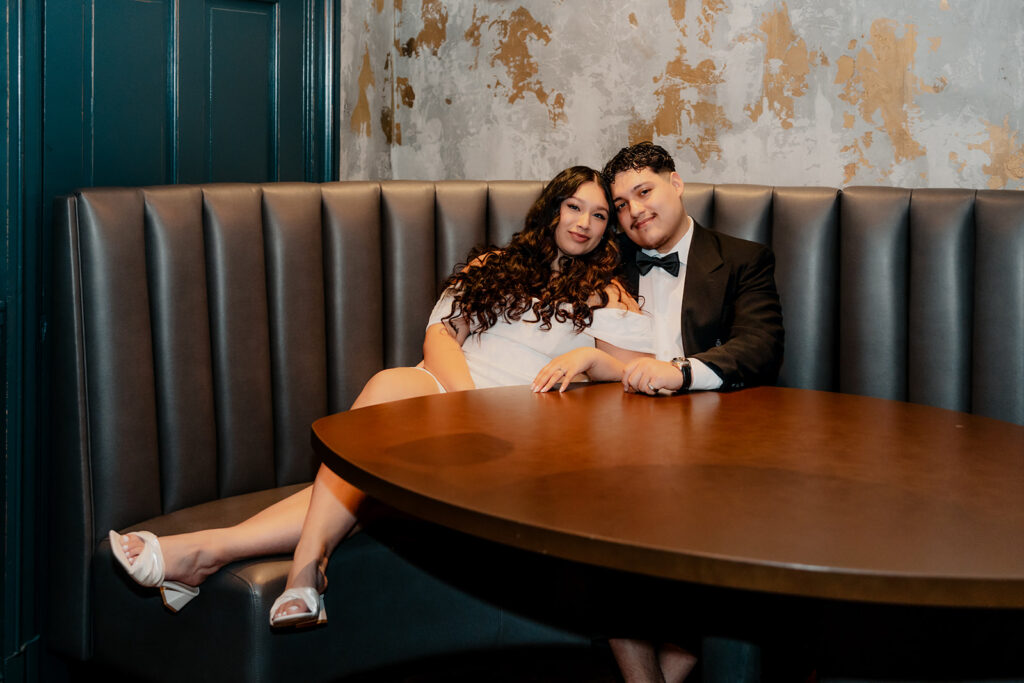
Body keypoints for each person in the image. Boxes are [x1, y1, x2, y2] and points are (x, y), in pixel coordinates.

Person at [108, 165, 656, 626]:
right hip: (450, 390)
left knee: (369, 479)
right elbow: (440, 335)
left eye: (599, 214)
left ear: (609, 228)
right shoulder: (493, 266)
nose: (584, 223)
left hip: (520, 421)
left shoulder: (606, 291)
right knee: (390, 383)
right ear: (551, 210)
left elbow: (633, 369)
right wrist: (464, 401)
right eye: (573, 207)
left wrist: (589, 359)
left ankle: (211, 555)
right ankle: (305, 569)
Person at [599, 141, 784, 683]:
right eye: (622, 205)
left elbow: (761, 346)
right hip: (614, 442)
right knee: (599, 517)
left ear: (675, 184)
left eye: (644, 191)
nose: (635, 211)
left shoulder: (745, 259)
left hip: (716, 445)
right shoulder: (605, 265)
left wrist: (681, 372)